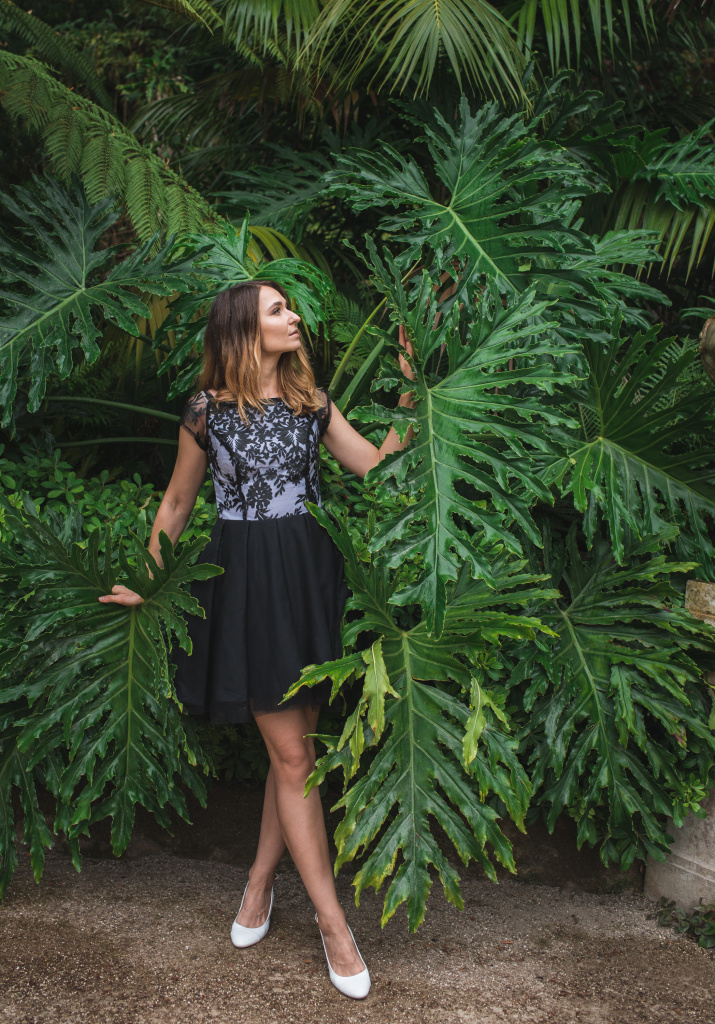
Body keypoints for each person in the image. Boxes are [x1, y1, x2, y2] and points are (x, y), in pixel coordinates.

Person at [98, 280, 415, 1000]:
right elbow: (177, 502)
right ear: (244, 328)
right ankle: (334, 925)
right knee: (293, 754)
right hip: (246, 583)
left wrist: (408, 391)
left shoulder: (312, 403)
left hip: (312, 577)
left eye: (289, 307)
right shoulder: (205, 411)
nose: (294, 317)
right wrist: (148, 580)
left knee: (292, 752)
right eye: (278, 310)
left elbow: (376, 468)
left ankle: (259, 880)